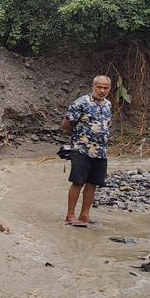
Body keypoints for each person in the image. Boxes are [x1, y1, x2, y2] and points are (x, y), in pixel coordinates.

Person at [62, 76, 113, 226]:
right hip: (82, 149)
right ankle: (70, 216)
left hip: (101, 151)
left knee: (93, 183)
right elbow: (66, 124)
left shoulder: (108, 104)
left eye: (106, 88)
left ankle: (84, 215)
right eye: (99, 87)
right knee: (78, 182)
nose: (102, 91)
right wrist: (80, 136)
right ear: (93, 86)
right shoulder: (81, 103)